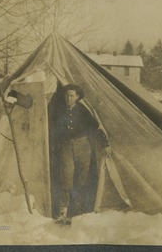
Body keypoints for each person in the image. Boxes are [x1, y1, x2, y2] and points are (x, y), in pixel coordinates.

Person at [51, 84, 111, 225]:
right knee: (66, 178)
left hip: (83, 147)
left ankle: (77, 212)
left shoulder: (83, 111)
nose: (68, 98)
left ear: (77, 97)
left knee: (81, 178)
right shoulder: (58, 111)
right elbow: (54, 130)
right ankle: (63, 212)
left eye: (72, 95)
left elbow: (95, 127)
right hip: (66, 146)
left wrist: (105, 144)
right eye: (66, 95)